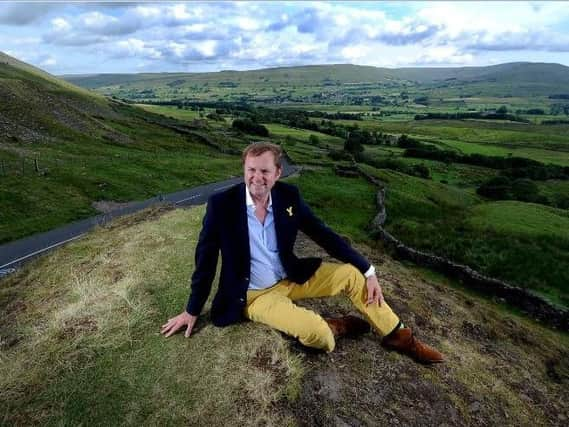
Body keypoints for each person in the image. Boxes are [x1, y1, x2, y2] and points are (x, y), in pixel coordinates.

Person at [161, 142, 444, 364]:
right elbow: (206, 260)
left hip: (291, 277)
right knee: (318, 336)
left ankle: (399, 336)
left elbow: (323, 234)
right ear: (244, 169)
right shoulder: (221, 205)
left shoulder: (288, 197)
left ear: (278, 173)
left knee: (351, 275)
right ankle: (336, 326)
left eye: (264, 171)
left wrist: (368, 270)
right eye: (251, 170)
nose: (257, 178)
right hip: (254, 295)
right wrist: (192, 309)